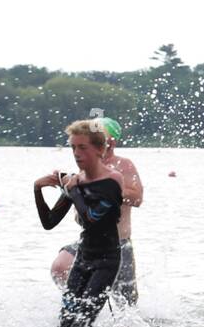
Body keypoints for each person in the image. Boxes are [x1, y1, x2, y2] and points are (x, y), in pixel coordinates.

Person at [35, 120, 124, 327]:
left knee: (83, 322)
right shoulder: (77, 181)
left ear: (99, 149)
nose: (76, 153)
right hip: (83, 258)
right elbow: (49, 222)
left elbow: (93, 219)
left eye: (82, 147)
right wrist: (37, 189)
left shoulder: (112, 180)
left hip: (106, 261)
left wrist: (73, 190)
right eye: (73, 147)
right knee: (66, 324)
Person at [49, 117, 143, 304]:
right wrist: (66, 186)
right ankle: (81, 303)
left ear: (111, 143)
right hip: (89, 241)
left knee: (126, 304)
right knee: (60, 267)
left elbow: (137, 197)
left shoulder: (123, 165)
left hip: (118, 244)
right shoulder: (85, 169)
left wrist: (105, 189)